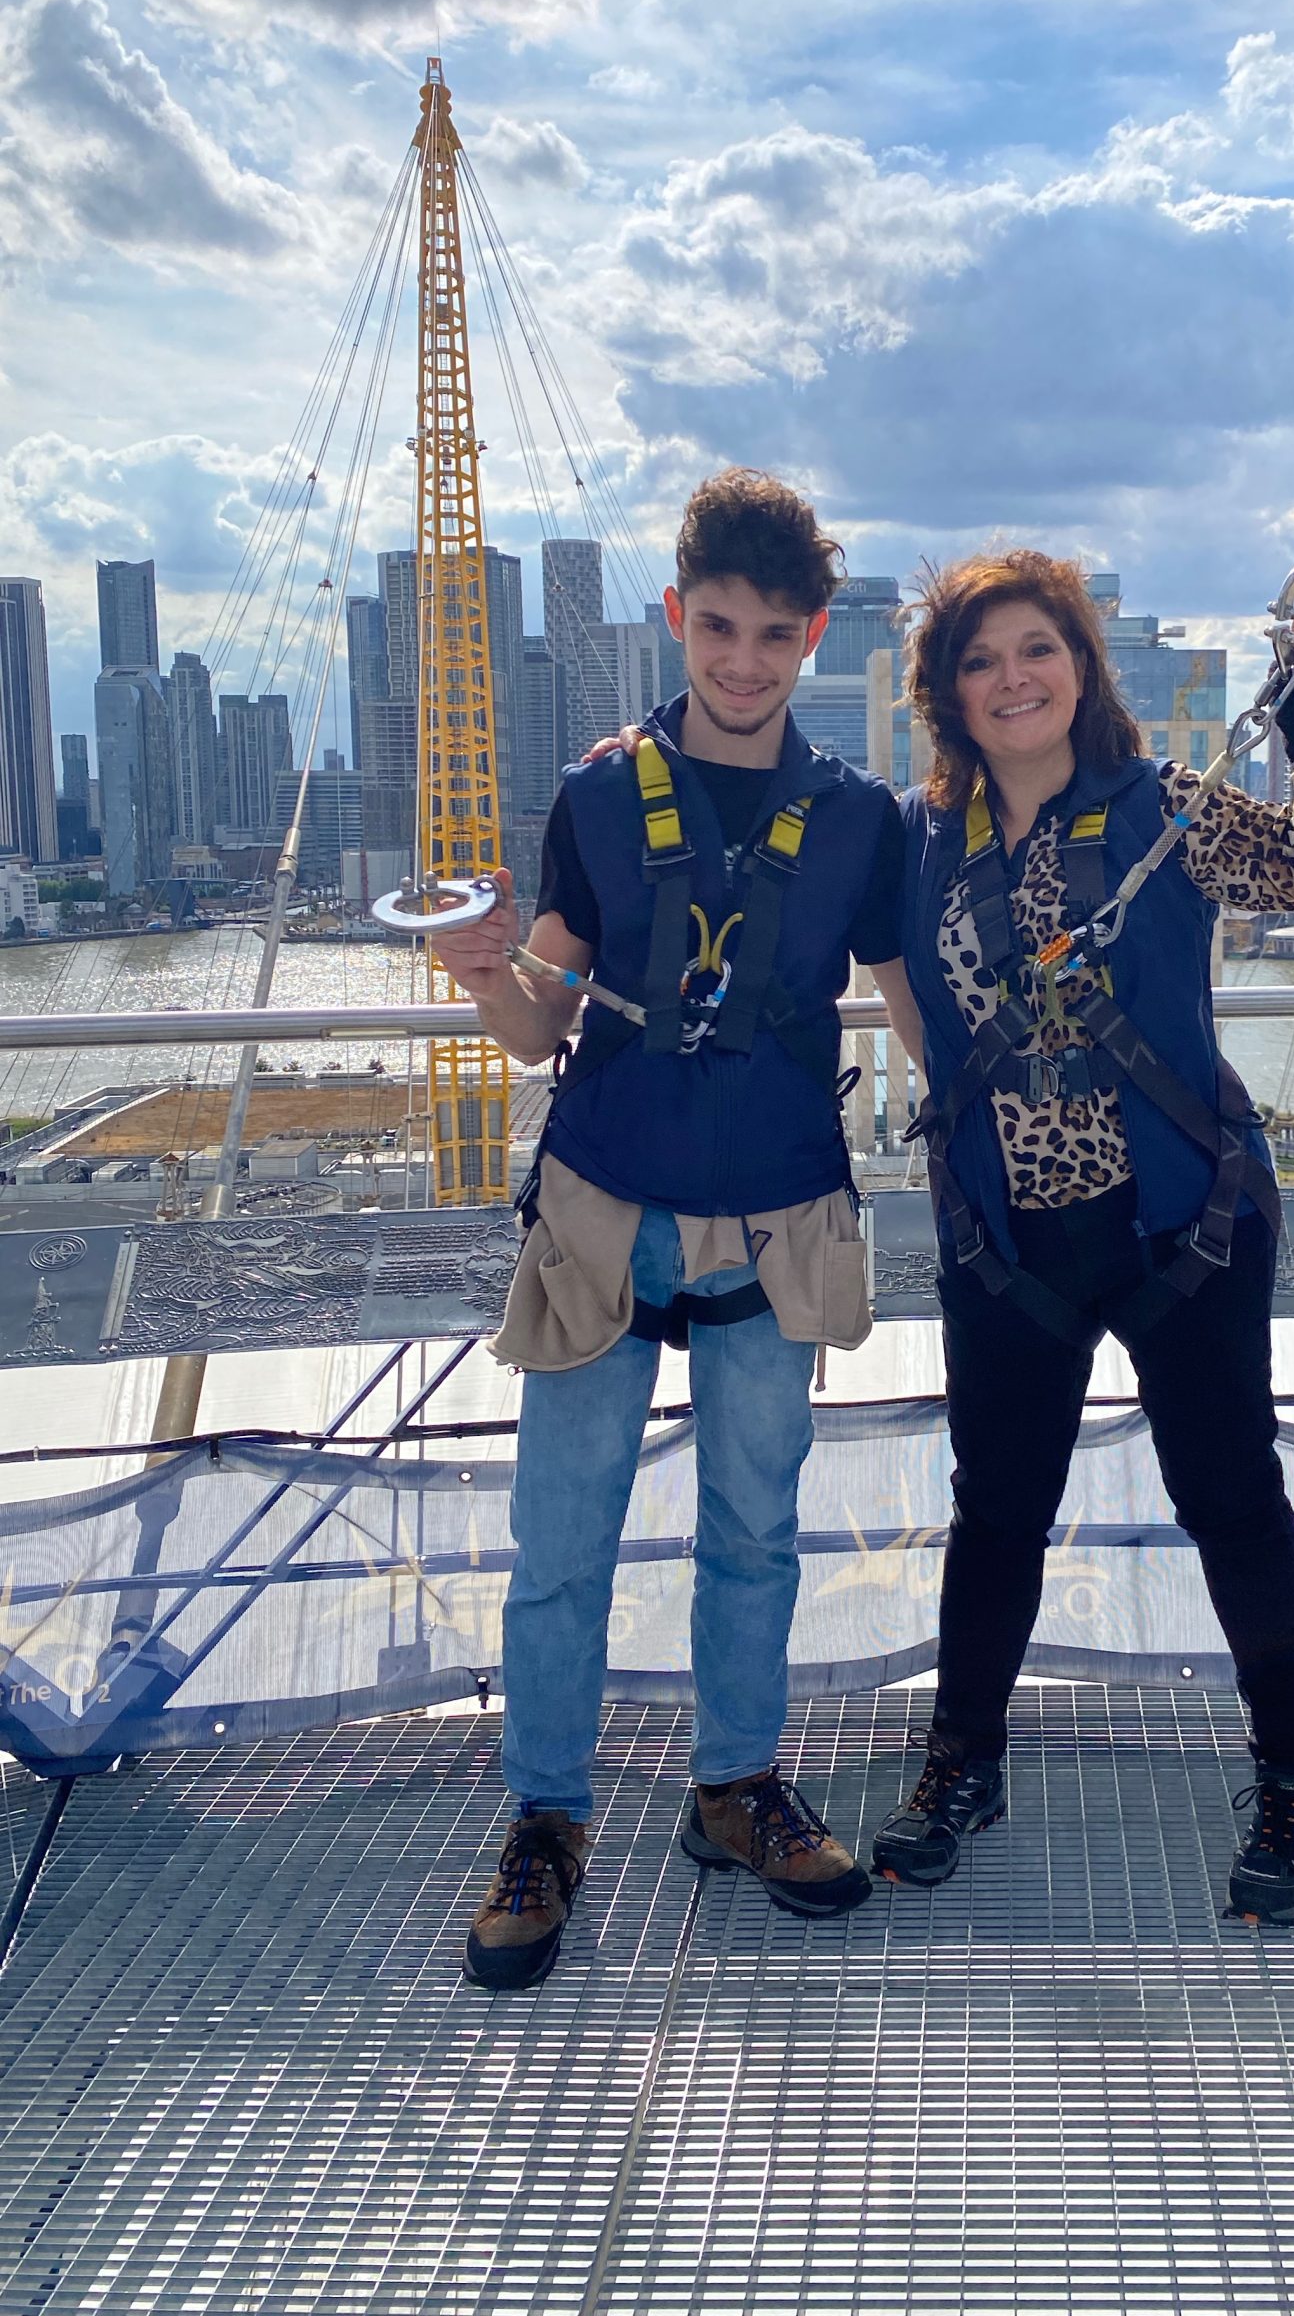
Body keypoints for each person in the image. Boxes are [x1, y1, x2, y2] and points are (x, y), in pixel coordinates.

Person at [432, 468, 906, 1989]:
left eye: (775, 632)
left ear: (816, 634)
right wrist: (478, 969)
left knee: (753, 1532)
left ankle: (733, 1784)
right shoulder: (596, 800)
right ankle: (545, 1818)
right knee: (562, 1541)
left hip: (776, 1215)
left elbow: (918, 1011)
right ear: (675, 619)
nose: (745, 660)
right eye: (719, 626)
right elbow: (534, 1026)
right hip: (603, 1204)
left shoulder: (858, 826)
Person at [868, 546, 1294, 1925]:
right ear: (948, 695)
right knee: (998, 1510)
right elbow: (885, 972)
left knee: (1230, 1498)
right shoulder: (921, 843)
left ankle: (1292, 1777)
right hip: (1009, 1241)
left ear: (1084, 668)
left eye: (1036, 648)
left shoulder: (1162, 811)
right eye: (979, 661)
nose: (1010, 678)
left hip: (1182, 1222)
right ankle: (961, 1763)